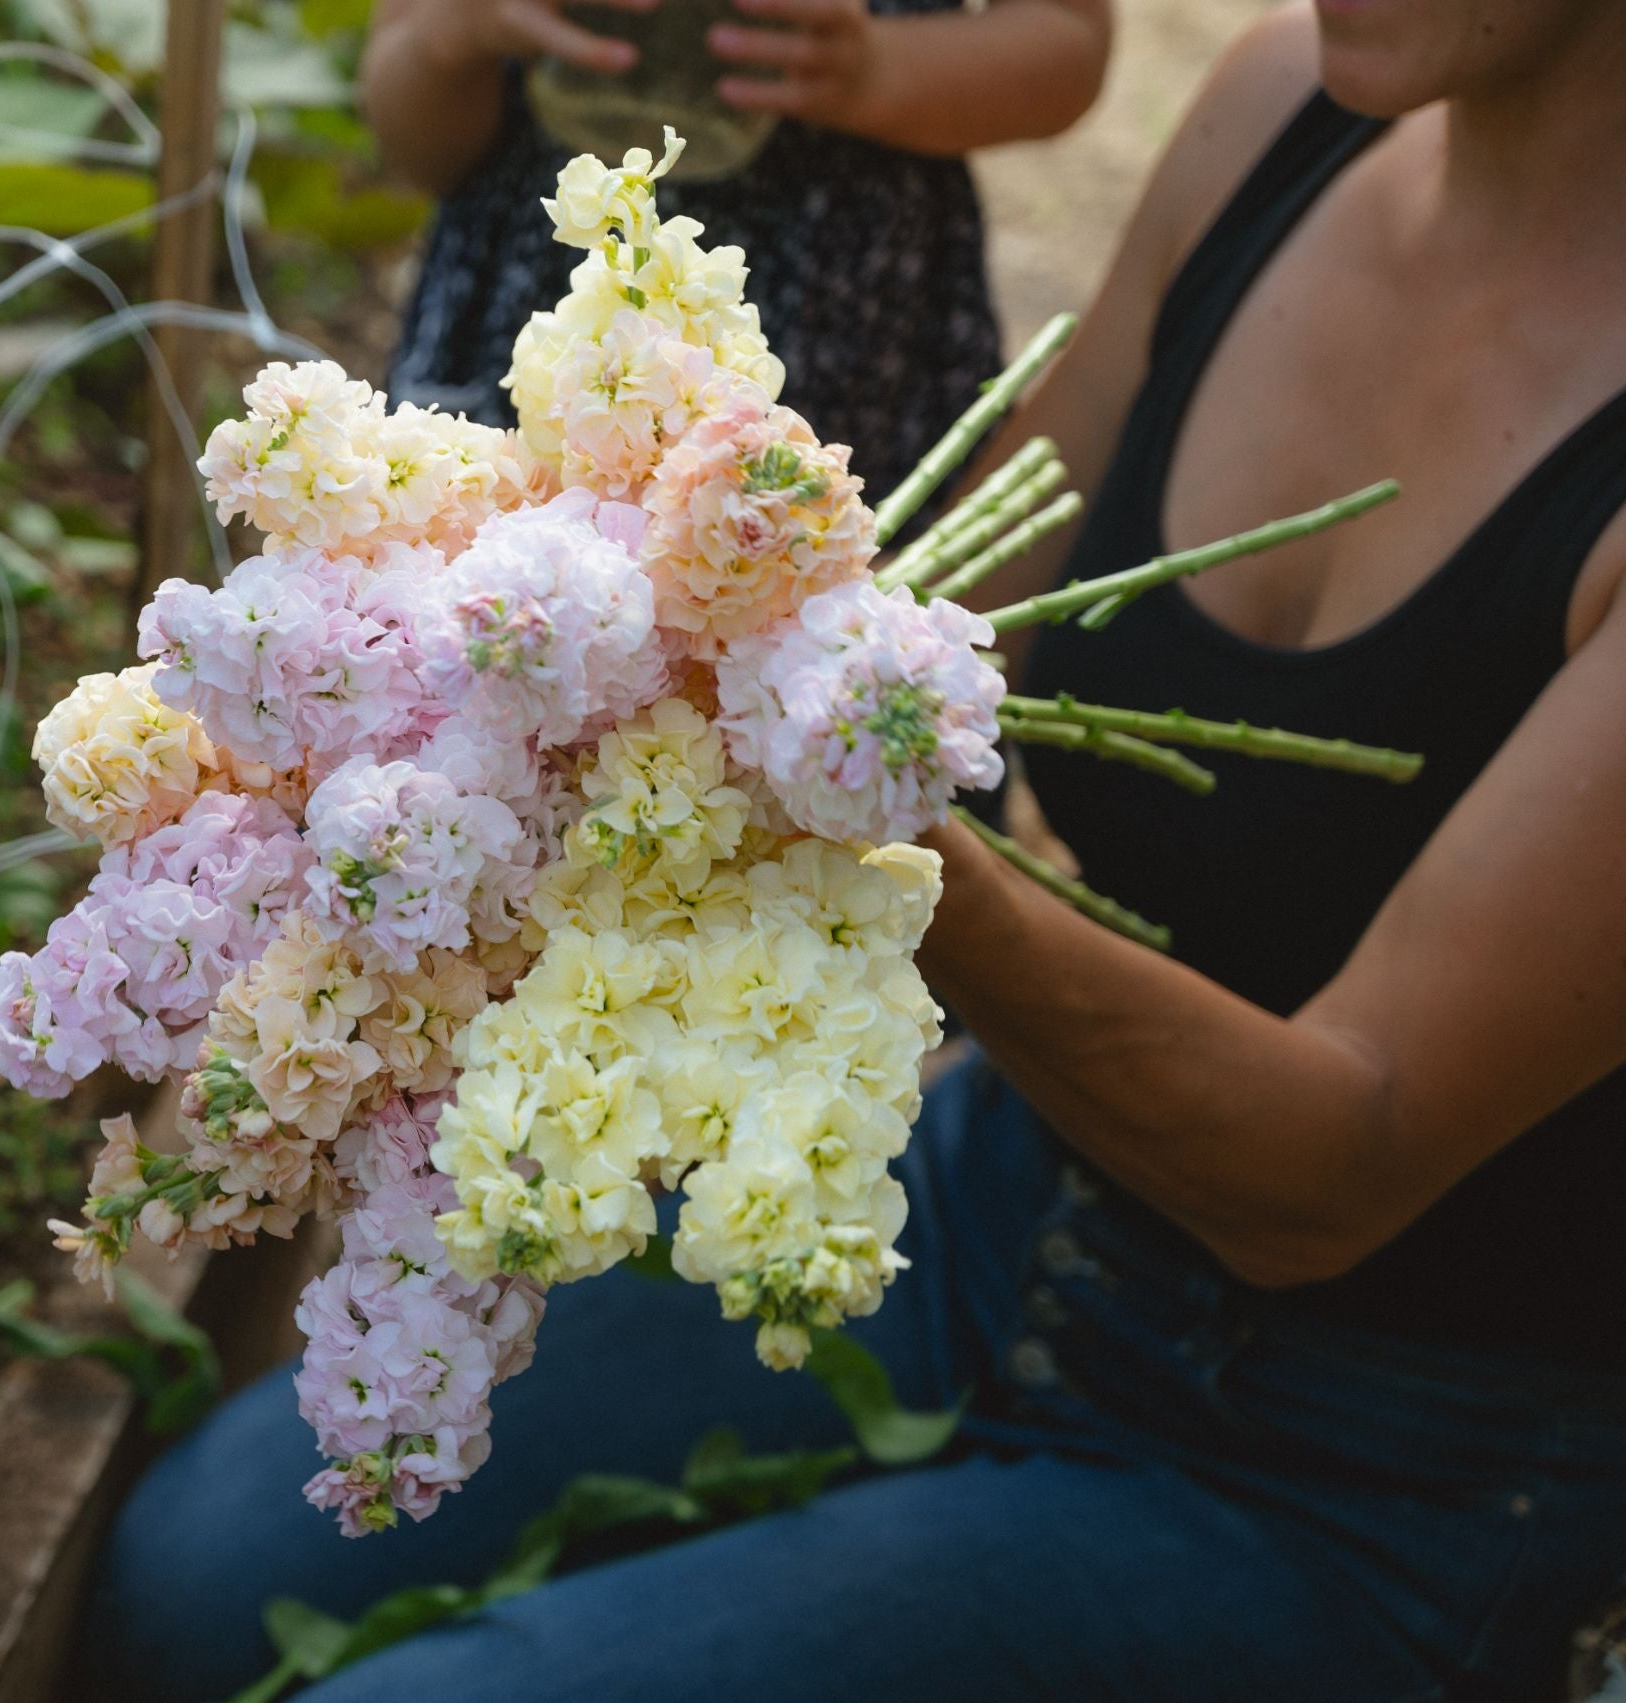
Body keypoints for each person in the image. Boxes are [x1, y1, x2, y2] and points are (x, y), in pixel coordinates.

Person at [81, 0, 1626, 1697]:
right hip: (1007, 1192)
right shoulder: (1286, 110)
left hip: (1369, 1456)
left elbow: (1333, 1169)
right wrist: (570, 616)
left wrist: (830, 791)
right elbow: (950, 620)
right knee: (188, 1576)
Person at [363, 0, 1113, 498]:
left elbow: (1069, 43)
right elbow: (416, 136)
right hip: (532, 292)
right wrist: (455, 29)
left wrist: (878, 69)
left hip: (851, 325)